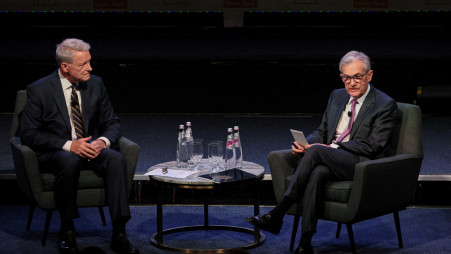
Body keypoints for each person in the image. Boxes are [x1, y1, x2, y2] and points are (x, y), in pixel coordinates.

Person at [246, 50, 398, 254]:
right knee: (317, 173)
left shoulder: (384, 104)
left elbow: (373, 145)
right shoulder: (337, 96)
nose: (351, 83)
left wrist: (329, 148)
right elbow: (322, 131)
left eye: (357, 77)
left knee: (317, 152)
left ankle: (278, 212)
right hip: (330, 159)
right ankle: (305, 243)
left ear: (369, 75)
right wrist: (306, 143)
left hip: (361, 163)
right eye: (346, 77)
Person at [20, 38, 139, 254]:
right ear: (65, 67)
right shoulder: (39, 90)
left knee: (115, 158)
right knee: (70, 159)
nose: (90, 68)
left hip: (91, 147)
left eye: (90, 62)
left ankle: (119, 232)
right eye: (84, 64)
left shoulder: (95, 84)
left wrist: (102, 142)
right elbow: (28, 134)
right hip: (58, 153)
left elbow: (112, 122)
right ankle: (67, 229)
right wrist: (68, 145)